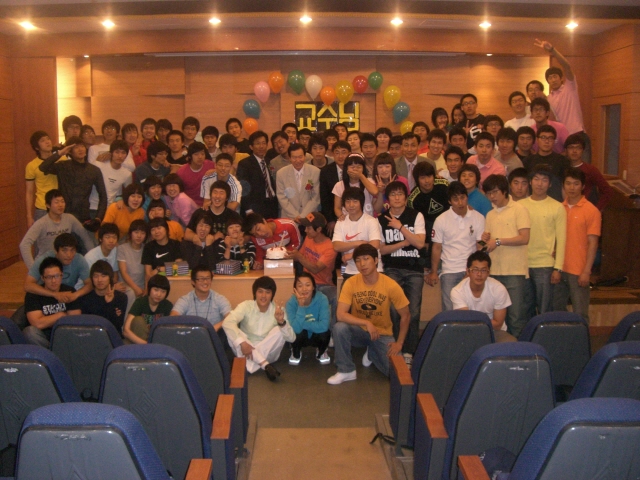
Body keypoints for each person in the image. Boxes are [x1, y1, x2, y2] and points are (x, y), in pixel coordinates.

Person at [328, 244, 410, 384]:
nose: (362, 264)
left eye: (366, 259)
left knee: (398, 376)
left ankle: (372, 352)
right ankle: (346, 370)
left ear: (376, 260)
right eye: (358, 260)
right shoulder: (351, 283)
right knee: (339, 327)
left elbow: (406, 315)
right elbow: (340, 314)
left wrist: (399, 343)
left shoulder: (390, 285)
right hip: (359, 331)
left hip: (382, 333)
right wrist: (366, 323)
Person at [378, 181, 426, 365]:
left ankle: (409, 351)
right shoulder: (381, 220)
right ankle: (395, 347)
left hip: (414, 270)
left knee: (413, 312)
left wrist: (400, 227)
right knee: (393, 309)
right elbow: (382, 250)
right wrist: (405, 242)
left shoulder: (416, 215)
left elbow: (420, 244)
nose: (397, 198)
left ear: (406, 198)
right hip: (392, 269)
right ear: (388, 199)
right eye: (393, 194)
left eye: (400, 194)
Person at [481, 174, 531, 337]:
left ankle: (518, 349)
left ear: (504, 191)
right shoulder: (490, 214)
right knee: (497, 319)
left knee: (516, 318)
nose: (492, 197)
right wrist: (483, 240)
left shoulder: (519, 209)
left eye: (495, 192)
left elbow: (524, 238)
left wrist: (498, 241)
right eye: (489, 193)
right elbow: (487, 243)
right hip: (494, 271)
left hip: (514, 271)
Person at [552, 167, 601, 323]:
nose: (571, 187)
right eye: (568, 183)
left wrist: (586, 271)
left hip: (579, 270)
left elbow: (593, 243)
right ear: (563, 185)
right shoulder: (559, 208)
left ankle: (581, 338)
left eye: (576, 184)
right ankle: (565, 336)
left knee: (580, 313)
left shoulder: (591, 211)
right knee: (557, 310)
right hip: (559, 268)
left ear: (583, 186)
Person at [223, 276, 296, 380]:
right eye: (260, 291)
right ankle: (265, 365)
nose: (263, 296)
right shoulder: (246, 306)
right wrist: (242, 343)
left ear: (272, 294)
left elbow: (292, 339)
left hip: (267, 352)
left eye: (267, 292)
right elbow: (227, 322)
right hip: (245, 349)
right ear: (255, 293)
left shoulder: (279, 310)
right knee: (231, 327)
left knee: (279, 329)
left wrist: (281, 322)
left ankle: (247, 364)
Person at [428, 181, 485, 310]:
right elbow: (436, 247)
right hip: (449, 270)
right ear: (449, 201)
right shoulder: (441, 220)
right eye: (455, 199)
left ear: (467, 198)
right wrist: (434, 272)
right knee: (449, 309)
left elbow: (480, 245)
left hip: (472, 270)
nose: (460, 202)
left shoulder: (478, 218)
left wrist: (484, 243)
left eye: (462, 198)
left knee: (473, 308)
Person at [520, 165, 567, 319]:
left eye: (544, 180)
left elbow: (562, 239)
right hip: (522, 264)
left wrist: (558, 268)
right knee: (525, 309)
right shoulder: (520, 206)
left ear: (550, 184)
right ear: (530, 182)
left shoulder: (557, 207)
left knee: (545, 310)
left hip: (545, 266)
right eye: (536, 179)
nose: (540, 183)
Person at [535, 38, 590, 162]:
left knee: (583, 169)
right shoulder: (548, 98)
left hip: (577, 134)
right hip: (561, 138)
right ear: (547, 81)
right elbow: (552, 119)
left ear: (561, 78)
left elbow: (567, 66)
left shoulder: (570, 88)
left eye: (555, 76)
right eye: (550, 78)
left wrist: (552, 50)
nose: (553, 80)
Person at [39, 137, 107, 231]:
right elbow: (43, 167)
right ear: (70, 151)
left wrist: (98, 218)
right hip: (63, 214)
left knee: (87, 240)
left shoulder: (94, 170)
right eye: (76, 147)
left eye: (82, 146)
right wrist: (60, 153)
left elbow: (103, 196)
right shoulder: (63, 166)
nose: (80, 149)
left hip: (83, 216)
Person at [20, 189, 94, 268]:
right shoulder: (41, 223)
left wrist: (92, 259)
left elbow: (85, 236)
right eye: (56, 202)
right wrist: (32, 268)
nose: (60, 205)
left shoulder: (70, 219)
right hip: (46, 264)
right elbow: (24, 245)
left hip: (65, 264)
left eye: (62, 201)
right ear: (48, 205)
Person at [286, 212, 337, 327]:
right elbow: (300, 255)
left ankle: (333, 331)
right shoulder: (309, 238)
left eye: (308, 228)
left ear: (318, 229)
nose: (305, 230)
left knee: (336, 298)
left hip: (324, 285)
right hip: (306, 283)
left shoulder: (330, 247)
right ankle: (292, 329)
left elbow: (316, 269)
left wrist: (299, 256)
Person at [450, 251, 514, 342]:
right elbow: (466, 322)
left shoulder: (499, 289)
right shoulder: (457, 291)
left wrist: (475, 320)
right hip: (469, 331)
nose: (479, 274)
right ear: (468, 271)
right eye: (475, 270)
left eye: (483, 270)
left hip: (494, 331)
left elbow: (498, 324)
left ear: (488, 272)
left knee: (510, 342)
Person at [24, 256, 82, 347]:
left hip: (64, 334)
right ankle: (52, 352)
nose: (54, 281)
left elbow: (74, 320)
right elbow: (37, 323)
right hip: (43, 336)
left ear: (62, 275)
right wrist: (61, 315)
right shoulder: (33, 295)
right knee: (30, 332)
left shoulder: (69, 291)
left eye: (57, 276)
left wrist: (47, 320)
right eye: (49, 277)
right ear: (42, 278)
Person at [25, 233, 91, 303]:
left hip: (67, 296)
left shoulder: (79, 259)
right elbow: (27, 285)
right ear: (56, 250)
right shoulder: (44, 260)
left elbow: (89, 284)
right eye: (64, 250)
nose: (69, 255)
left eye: (72, 250)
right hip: (45, 296)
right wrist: (55, 294)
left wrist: (75, 295)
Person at [332, 188, 382, 279]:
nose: (351, 205)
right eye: (348, 201)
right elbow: (336, 246)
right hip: (350, 270)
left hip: (373, 270)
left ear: (361, 203)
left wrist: (352, 255)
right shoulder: (340, 222)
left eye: (355, 201)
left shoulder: (371, 221)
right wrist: (359, 243)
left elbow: (375, 245)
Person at [171, 265, 232, 335]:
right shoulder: (185, 300)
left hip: (213, 335)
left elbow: (230, 317)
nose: (205, 282)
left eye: (208, 278)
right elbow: (173, 317)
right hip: (191, 335)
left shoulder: (219, 298)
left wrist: (215, 327)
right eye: (201, 279)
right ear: (193, 282)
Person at [286, 272, 332, 365]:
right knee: (294, 333)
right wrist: (301, 306)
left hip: (317, 333)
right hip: (301, 334)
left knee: (325, 334)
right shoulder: (291, 303)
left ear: (313, 287)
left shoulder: (322, 299)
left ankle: (321, 351)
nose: (304, 289)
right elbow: (295, 329)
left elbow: (324, 326)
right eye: (300, 286)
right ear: (295, 289)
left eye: (307, 285)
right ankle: (295, 352)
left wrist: (302, 323)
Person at [407, 161, 449, 258]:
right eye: (422, 178)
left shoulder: (444, 184)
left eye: (429, 176)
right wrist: (425, 241)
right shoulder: (413, 199)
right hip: (429, 230)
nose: (427, 181)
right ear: (417, 180)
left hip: (448, 224)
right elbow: (416, 223)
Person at [564, 133, 613, 211]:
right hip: (565, 210)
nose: (574, 151)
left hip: (585, 210)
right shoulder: (563, 168)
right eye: (571, 147)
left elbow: (607, 191)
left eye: (578, 148)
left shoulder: (591, 170)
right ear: (566, 150)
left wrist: (596, 209)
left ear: (583, 150)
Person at [237, 130, 279, 219]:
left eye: (264, 143)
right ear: (251, 147)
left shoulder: (269, 162)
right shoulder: (244, 164)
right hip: (255, 207)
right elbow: (244, 188)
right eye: (258, 143)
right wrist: (248, 209)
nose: (261, 146)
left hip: (272, 204)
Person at [523, 124, 570, 202]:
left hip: (556, 202)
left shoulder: (563, 161)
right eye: (543, 137)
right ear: (537, 140)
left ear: (554, 141)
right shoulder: (528, 161)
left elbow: (566, 185)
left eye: (550, 138)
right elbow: (525, 185)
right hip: (533, 203)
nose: (547, 141)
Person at [276, 143, 321, 222]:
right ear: (289, 158)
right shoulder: (281, 174)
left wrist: (302, 216)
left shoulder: (315, 172)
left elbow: (315, 198)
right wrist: (295, 216)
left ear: (305, 156)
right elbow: (282, 198)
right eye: (294, 157)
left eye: (300, 157)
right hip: (289, 217)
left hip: (310, 217)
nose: (298, 160)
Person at [80, 260, 128, 334]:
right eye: (96, 276)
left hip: (113, 336)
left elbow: (117, 324)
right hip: (92, 335)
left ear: (110, 278)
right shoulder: (85, 299)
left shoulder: (121, 298)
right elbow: (86, 325)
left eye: (103, 276)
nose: (99, 280)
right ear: (91, 278)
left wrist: (110, 303)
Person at [123, 274, 173, 344]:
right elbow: (126, 331)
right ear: (149, 289)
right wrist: (147, 345)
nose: (159, 294)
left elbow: (169, 331)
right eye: (156, 290)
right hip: (138, 341)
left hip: (157, 342)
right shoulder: (140, 302)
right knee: (138, 320)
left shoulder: (167, 305)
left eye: (163, 291)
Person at [89, 140, 133, 214]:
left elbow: (128, 192)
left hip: (110, 209)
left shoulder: (127, 174)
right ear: (111, 153)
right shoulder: (98, 165)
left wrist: (120, 199)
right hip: (93, 207)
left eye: (123, 153)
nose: (120, 156)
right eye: (117, 152)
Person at [25, 130, 58, 227]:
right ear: (36, 147)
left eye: (48, 139)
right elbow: (29, 192)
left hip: (61, 205)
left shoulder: (61, 159)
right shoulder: (31, 165)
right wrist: (29, 216)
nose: (47, 142)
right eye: (43, 140)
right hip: (42, 208)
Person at [333, 154, 381, 219]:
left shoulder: (369, 181)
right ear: (346, 168)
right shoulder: (339, 185)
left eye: (359, 167)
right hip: (348, 220)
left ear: (363, 168)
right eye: (352, 167)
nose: (355, 169)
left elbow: (375, 192)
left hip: (368, 219)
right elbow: (337, 208)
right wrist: (341, 216)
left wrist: (361, 176)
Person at [320, 140, 350, 236]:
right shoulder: (325, 171)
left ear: (349, 153)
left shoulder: (354, 169)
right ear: (333, 154)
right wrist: (330, 220)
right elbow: (324, 198)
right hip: (333, 216)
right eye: (337, 153)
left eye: (344, 152)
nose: (340, 156)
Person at [117, 219, 147, 313]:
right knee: (131, 293)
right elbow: (123, 272)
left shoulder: (147, 249)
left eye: (142, 233)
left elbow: (147, 272)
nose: (139, 236)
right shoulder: (122, 248)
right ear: (130, 233)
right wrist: (136, 288)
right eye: (136, 232)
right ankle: (127, 322)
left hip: (142, 287)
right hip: (126, 286)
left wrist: (146, 289)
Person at [177, 141, 215, 206]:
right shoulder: (181, 172)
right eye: (196, 154)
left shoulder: (211, 165)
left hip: (210, 204)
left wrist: (216, 171)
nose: (200, 157)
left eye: (202, 154)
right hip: (189, 205)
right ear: (190, 156)